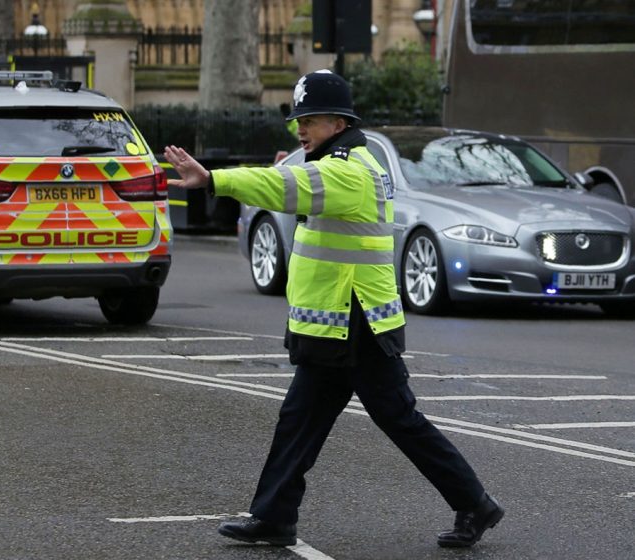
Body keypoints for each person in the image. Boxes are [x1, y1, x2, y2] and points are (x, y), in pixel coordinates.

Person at [163, 69, 504, 549]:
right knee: (299, 420)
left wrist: (213, 178)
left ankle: (475, 503)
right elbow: (297, 180)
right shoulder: (332, 159)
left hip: (359, 322)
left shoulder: (351, 171)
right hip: (334, 322)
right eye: (299, 120)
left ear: (340, 122)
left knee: (399, 419)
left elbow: (285, 188)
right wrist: (291, 164)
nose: (301, 129)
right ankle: (274, 517)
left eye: (312, 120)